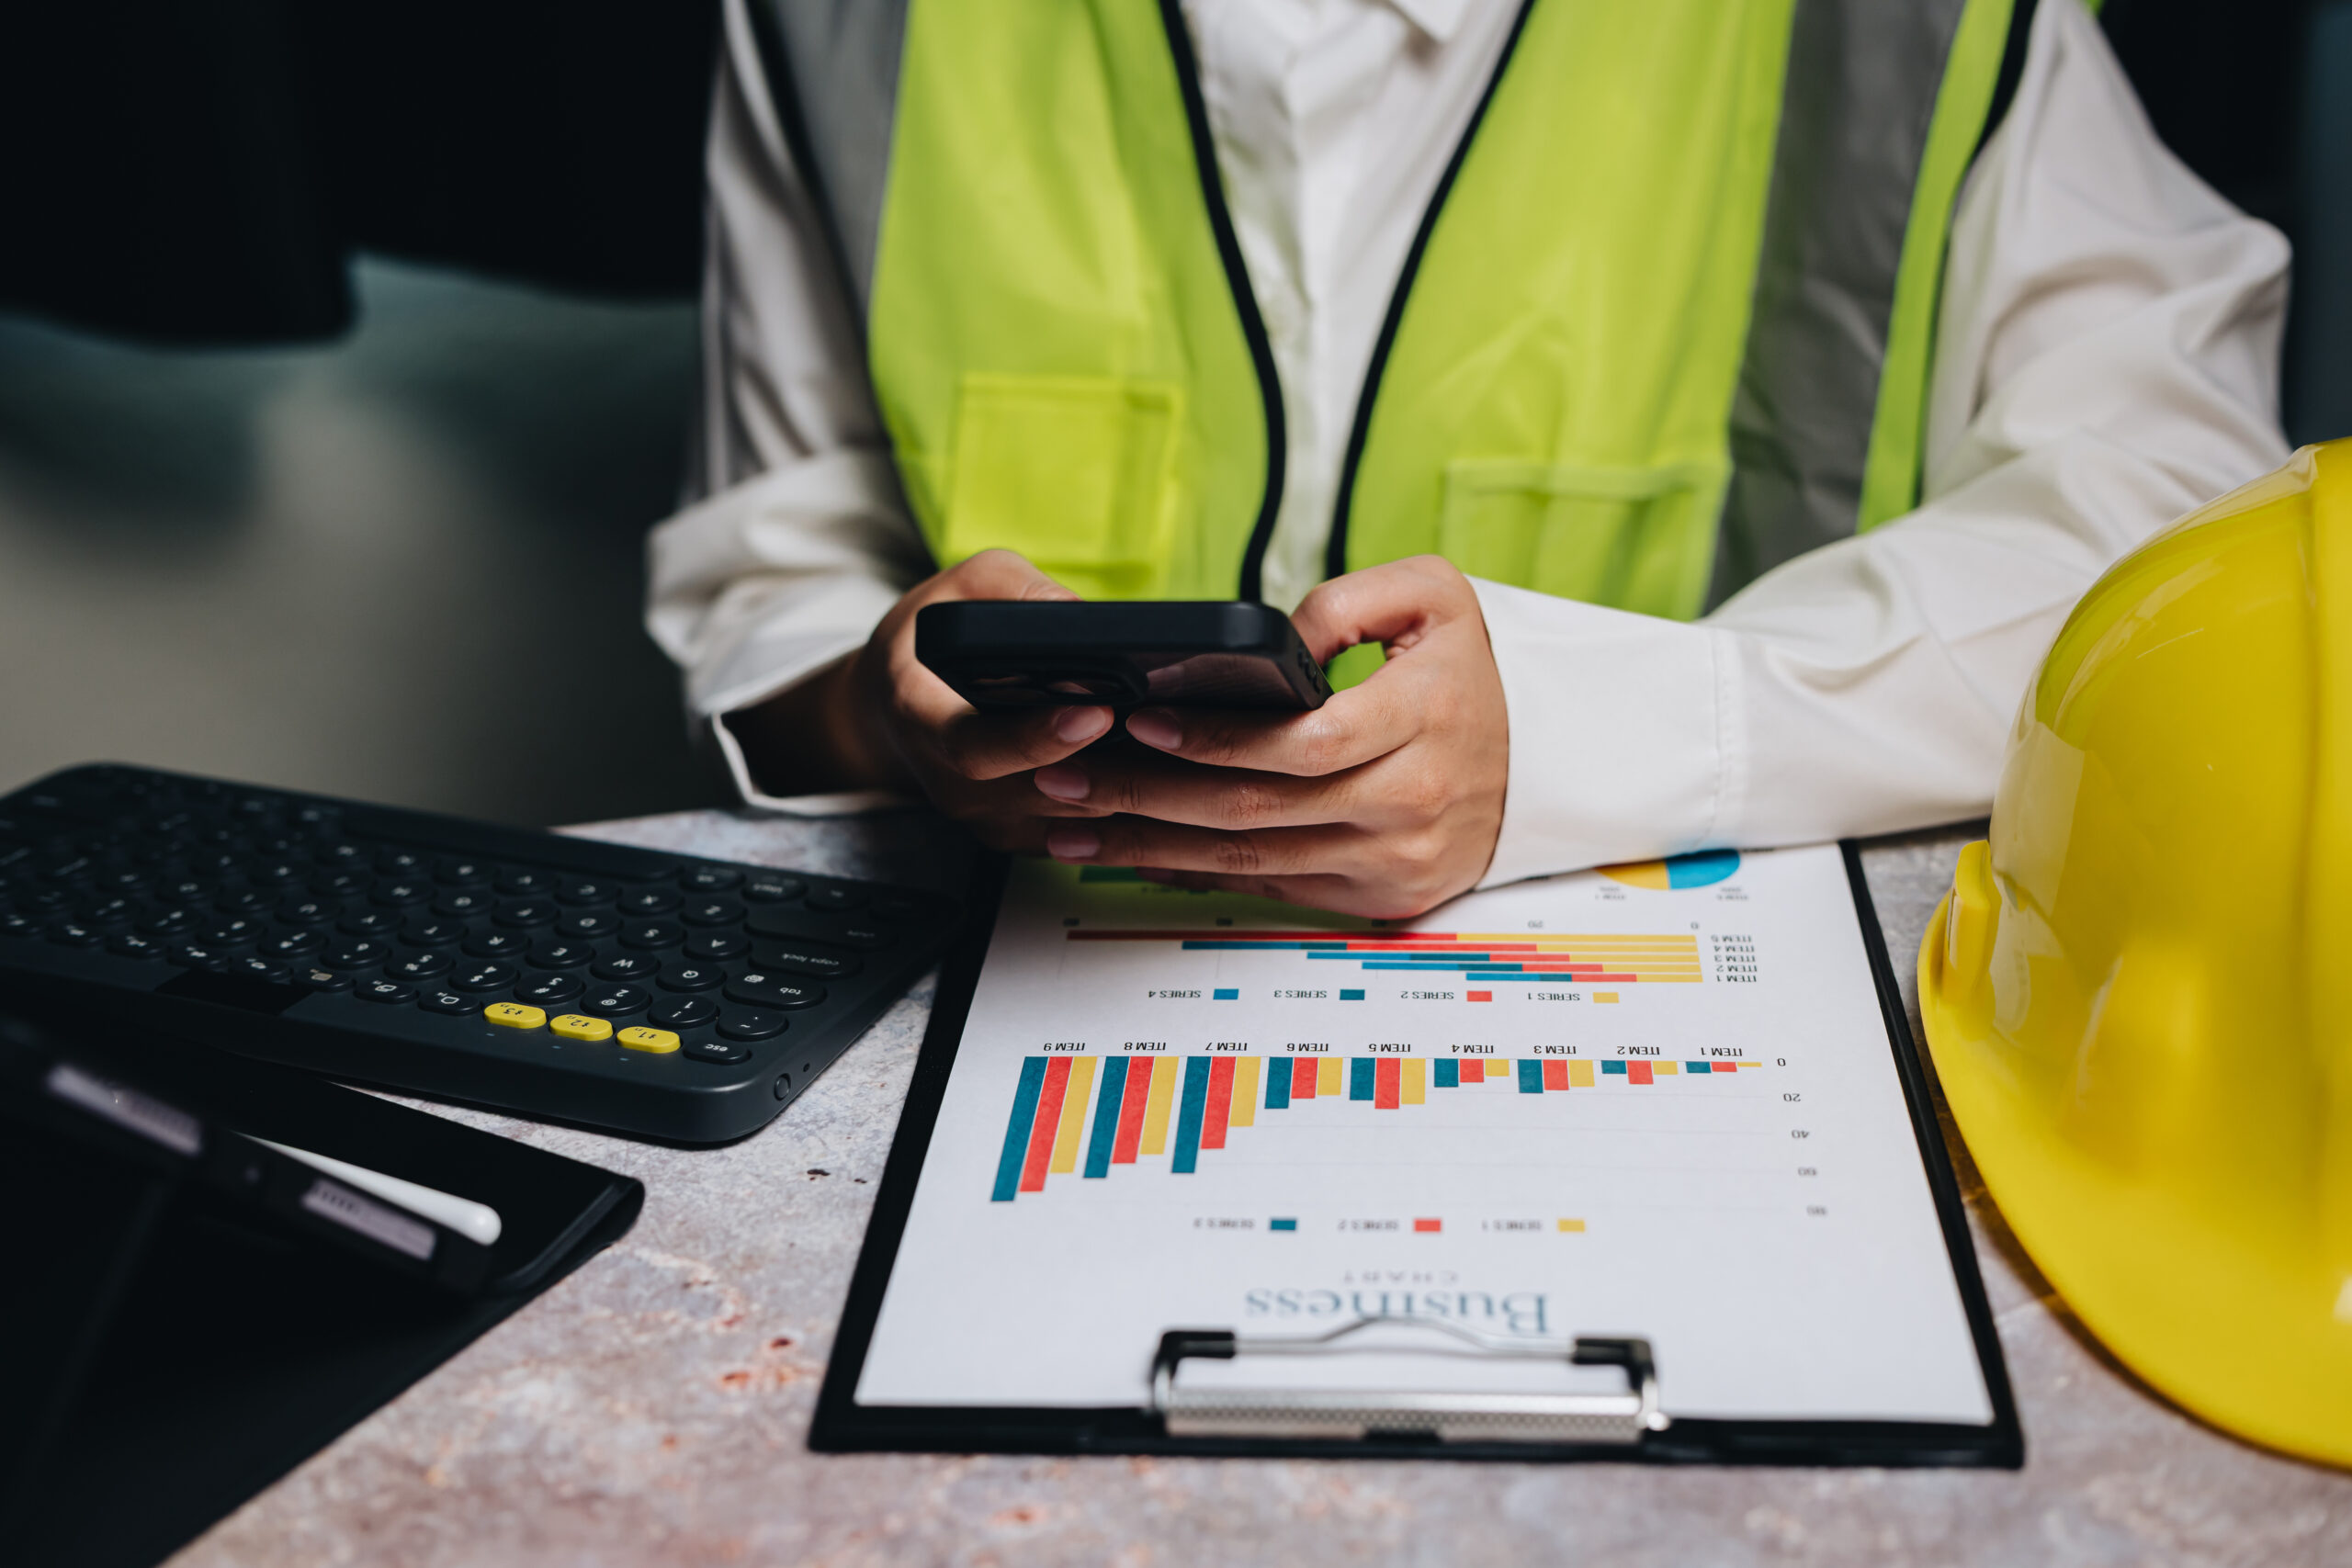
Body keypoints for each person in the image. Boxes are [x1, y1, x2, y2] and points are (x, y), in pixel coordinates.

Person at [647, 0, 2288, 919]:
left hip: (1691, 1033)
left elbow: (2195, 540)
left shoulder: (1920, 26)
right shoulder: (838, 28)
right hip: (1022, 1009)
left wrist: (1609, 734)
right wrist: (890, 705)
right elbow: (770, 573)